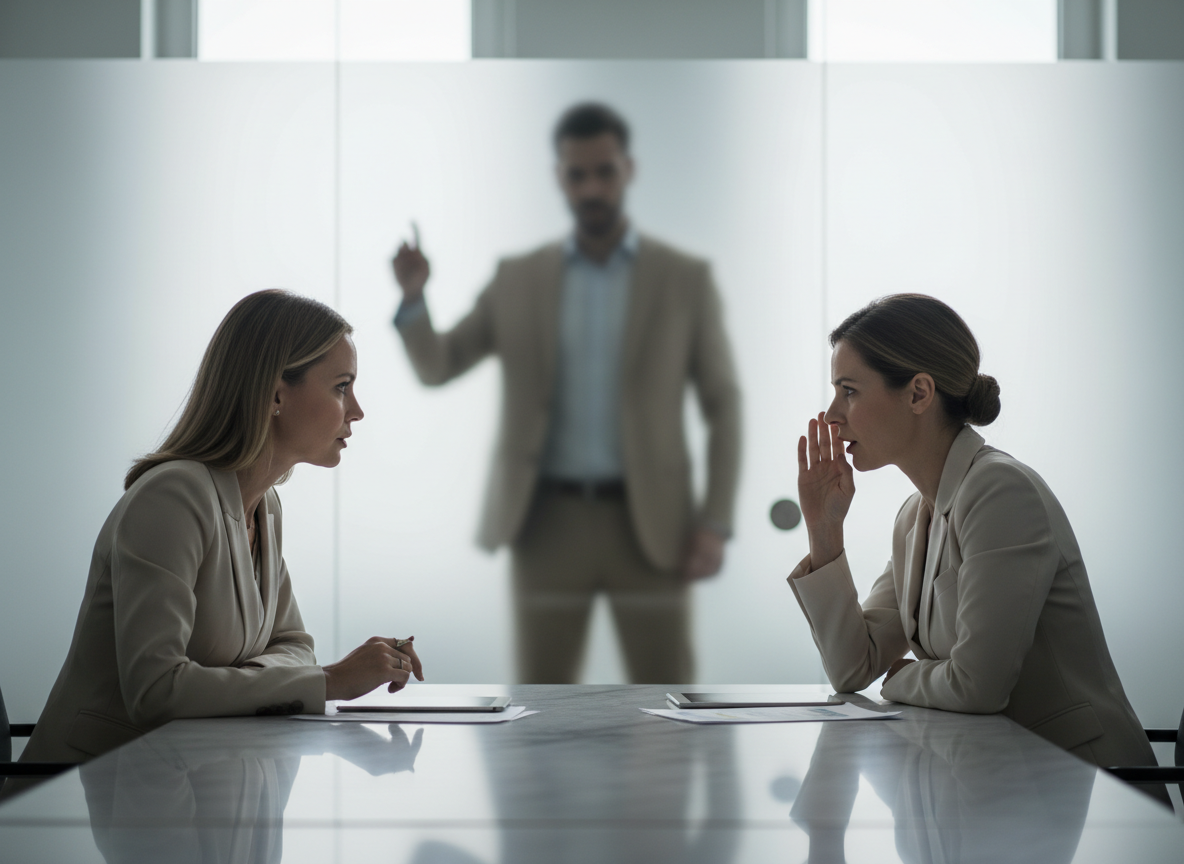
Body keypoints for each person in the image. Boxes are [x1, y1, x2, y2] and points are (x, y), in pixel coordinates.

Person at [390, 102, 741, 684]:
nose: (592, 187)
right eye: (577, 175)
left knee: (668, 707)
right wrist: (413, 299)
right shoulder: (517, 279)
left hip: (652, 522)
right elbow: (439, 365)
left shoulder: (684, 279)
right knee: (539, 707)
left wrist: (716, 521)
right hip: (544, 520)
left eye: (604, 171)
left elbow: (724, 404)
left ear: (628, 169)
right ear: (560, 178)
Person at [19, 290, 423, 767]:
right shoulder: (173, 497)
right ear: (275, 394)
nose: (356, 410)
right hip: (84, 802)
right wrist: (330, 682)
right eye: (341, 386)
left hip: (191, 781)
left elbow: (295, 645)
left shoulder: (265, 506)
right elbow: (156, 690)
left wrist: (233, 683)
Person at [789, 293, 1156, 769]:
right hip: (1002, 781)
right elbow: (852, 667)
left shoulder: (1000, 491)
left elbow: (976, 686)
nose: (832, 415)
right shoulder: (912, 517)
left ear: (919, 393)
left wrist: (900, 679)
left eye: (849, 391)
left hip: (1083, 786)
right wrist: (825, 530)